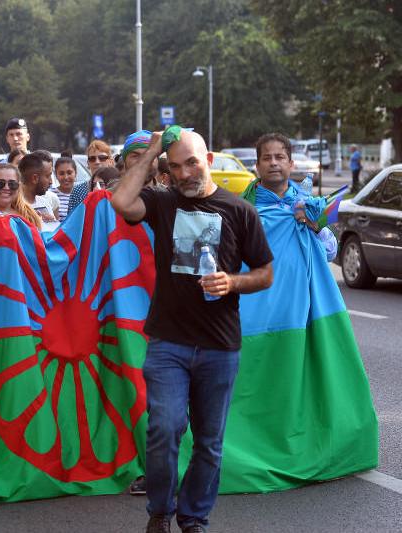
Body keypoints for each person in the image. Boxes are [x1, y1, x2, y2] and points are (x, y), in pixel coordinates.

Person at [110, 128, 274, 533]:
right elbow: (121, 201)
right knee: (164, 427)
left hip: (219, 346)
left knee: (209, 442)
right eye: (175, 166)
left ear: (211, 158)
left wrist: (232, 282)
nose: (183, 173)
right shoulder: (163, 203)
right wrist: (152, 152)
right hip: (169, 342)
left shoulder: (240, 211)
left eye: (191, 162)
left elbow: (265, 273)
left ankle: (194, 517)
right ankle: (160, 511)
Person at [248, 133, 338, 261]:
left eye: (279, 157)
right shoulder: (244, 209)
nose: (273, 163)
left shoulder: (310, 206)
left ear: (291, 164)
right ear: (257, 166)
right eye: (267, 158)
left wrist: (314, 225)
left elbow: (330, 253)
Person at [67, 139, 116, 215]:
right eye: (92, 159)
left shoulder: (119, 189)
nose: (97, 162)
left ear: (111, 161)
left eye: (102, 158)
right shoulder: (78, 191)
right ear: (88, 163)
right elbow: (71, 223)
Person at [0, 163, 41, 228]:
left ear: (19, 186)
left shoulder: (30, 216)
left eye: (12, 184)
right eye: (0, 183)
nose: (6, 188)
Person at [18, 150, 58, 231]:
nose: (51, 181)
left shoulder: (45, 202)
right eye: (48, 176)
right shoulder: (14, 206)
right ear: (35, 178)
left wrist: (53, 223)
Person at [52, 157, 76, 221]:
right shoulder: (50, 195)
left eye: (69, 173)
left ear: (75, 173)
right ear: (56, 175)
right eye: (61, 173)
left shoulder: (81, 194)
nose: (66, 177)